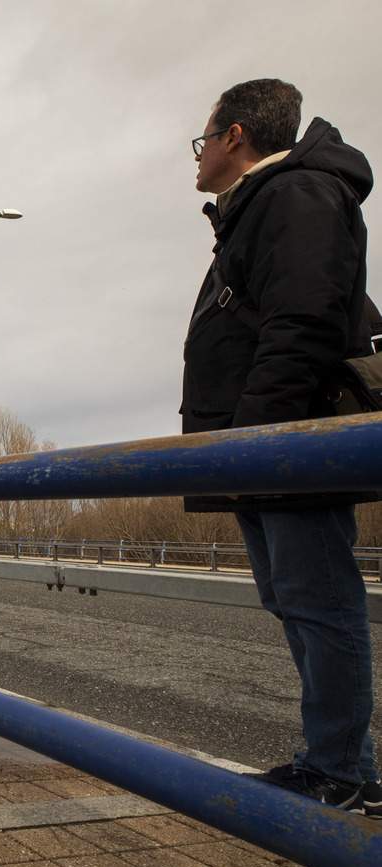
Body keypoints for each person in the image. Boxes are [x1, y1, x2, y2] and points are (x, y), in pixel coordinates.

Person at [182, 78, 379, 815]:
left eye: (203, 141)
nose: (197, 158)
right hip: (268, 443)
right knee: (297, 600)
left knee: (319, 602)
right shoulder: (261, 207)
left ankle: (338, 770)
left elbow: (301, 326)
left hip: (285, 444)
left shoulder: (297, 196)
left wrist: (255, 441)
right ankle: (340, 765)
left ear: (235, 137)